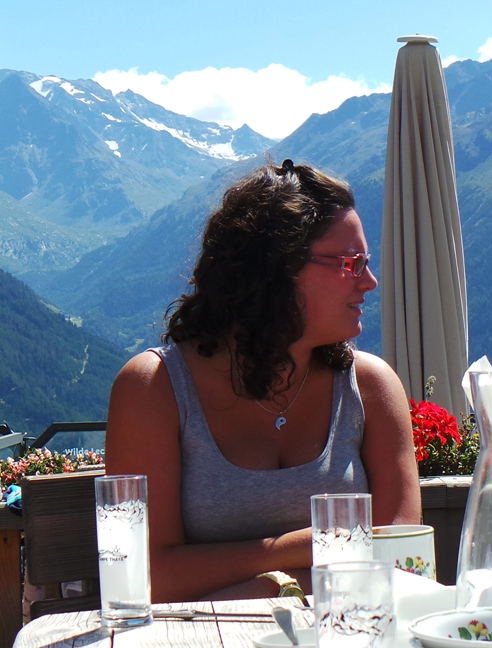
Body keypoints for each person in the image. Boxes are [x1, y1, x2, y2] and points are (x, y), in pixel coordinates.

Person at [105, 160, 421, 602]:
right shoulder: (154, 388)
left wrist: (271, 585)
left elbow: (401, 564)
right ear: (275, 270)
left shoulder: (370, 388)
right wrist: (307, 548)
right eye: (350, 263)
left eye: (366, 263)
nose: (369, 281)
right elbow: (140, 575)